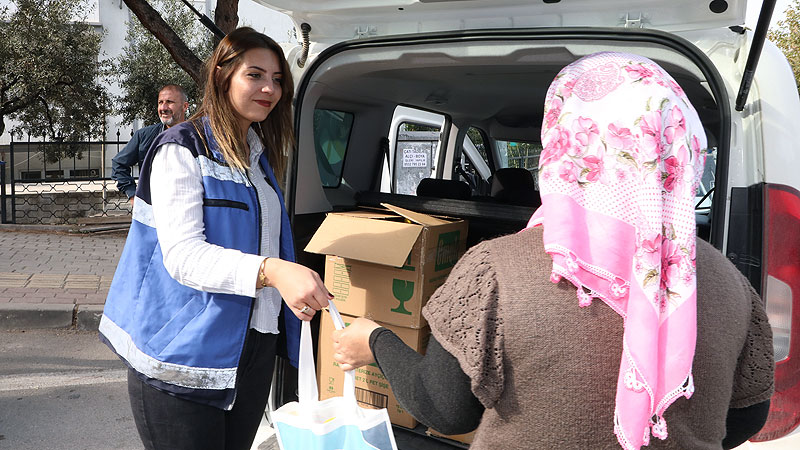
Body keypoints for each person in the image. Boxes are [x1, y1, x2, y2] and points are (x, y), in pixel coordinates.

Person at [332, 52, 775, 450]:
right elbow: (746, 418)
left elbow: (446, 410)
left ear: (562, 144)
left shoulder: (495, 269)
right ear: (679, 145)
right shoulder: (728, 283)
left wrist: (375, 340)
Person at [99, 27, 331, 450]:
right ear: (223, 76)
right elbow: (184, 256)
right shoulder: (182, 148)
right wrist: (273, 271)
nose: (269, 88)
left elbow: (264, 241)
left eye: (278, 79)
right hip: (182, 355)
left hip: (253, 347)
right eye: (255, 75)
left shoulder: (258, 156)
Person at [111, 84, 189, 203]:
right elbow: (119, 164)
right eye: (160, 102)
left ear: (185, 106)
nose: (163, 108)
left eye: (169, 102)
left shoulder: (197, 136)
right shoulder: (144, 136)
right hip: (153, 210)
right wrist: (132, 195)